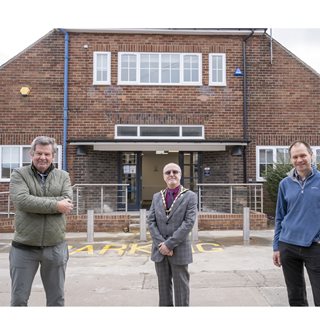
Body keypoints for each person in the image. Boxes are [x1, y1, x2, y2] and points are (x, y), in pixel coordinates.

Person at [9, 136, 73, 306]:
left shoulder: (63, 176)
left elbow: (67, 201)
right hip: (24, 248)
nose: (42, 157)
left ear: (53, 156)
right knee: (18, 300)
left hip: (55, 247)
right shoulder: (19, 174)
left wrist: (37, 203)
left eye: (47, 154)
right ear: (31, 154)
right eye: (38, 153)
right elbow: (22, 201)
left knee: (56, 300)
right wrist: (55, 204)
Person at [273, 140, 320, 306]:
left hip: (315, 246)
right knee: (295, 297)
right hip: (288, 246)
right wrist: (276, 247)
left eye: (303, 155)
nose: (299, 160)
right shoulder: (284, 184)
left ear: (311, 156)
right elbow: (280, 216)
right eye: (295, 157)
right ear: (291, 160)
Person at [147, 162, 197, 306]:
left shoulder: (190, 196)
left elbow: (188, 223)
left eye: (175, 171)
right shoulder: (157, 196)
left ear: (180, 175)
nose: (171, 174)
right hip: (159, 251)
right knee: (163, 291)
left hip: (179, 250)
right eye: (168, 172)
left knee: (181, 290)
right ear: (163, 176)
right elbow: (151, 222)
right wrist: (161, 245)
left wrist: (169, 244)